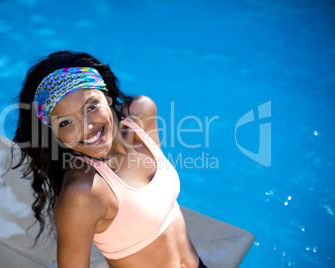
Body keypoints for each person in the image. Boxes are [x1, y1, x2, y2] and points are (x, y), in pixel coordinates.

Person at [12, 50, 207, 268]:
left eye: (91, 106)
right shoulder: (83, 192)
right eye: (65, 122)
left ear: (107, 97)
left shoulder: (141, 115)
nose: (86, 127)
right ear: (54, 132)